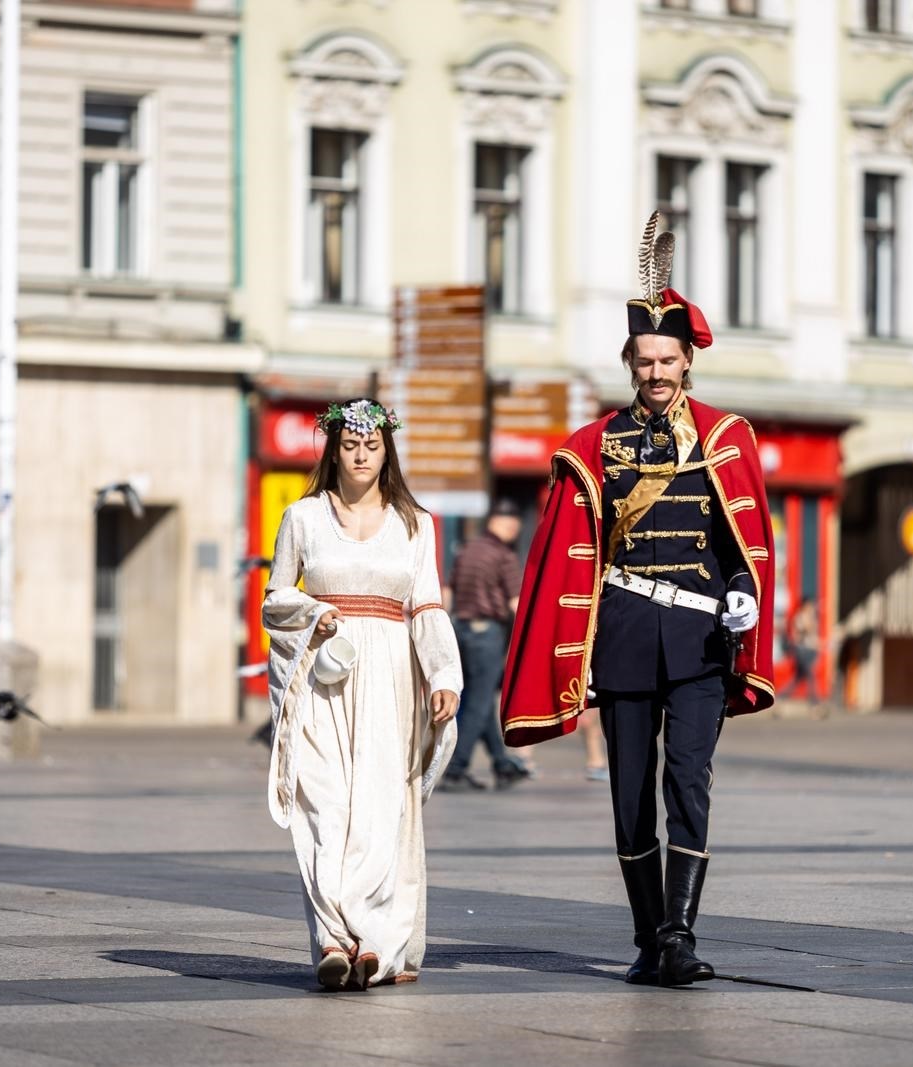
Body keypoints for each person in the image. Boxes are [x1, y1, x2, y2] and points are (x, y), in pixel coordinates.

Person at [501, 211, 775, 988]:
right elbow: (567, 556)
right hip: (622, 636)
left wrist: (739, 596)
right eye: (644, 359)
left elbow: (743, 541)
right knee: (628, 798)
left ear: (688, 362)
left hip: (695, 641)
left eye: (667, 359)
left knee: (688, 780)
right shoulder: (593, 446)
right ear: (630, 363)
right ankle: (647, 936)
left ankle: (680, 933)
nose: (655, 372)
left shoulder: (725, 437)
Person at [260, 398, 461, 990]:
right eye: (350, 445)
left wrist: (443, 676)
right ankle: (331, 937)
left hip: (391, 676)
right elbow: (275, 597)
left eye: (372, 445)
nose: (361, 455)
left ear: (387, 450)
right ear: (333, 449)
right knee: (323, 802)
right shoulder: (303, 517)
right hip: (323, 674)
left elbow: (425, 603)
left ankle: (369, 942)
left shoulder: (414, 522)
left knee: (378, 805)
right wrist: (312, 612)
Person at [442, 499, 530, 792]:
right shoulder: (503, 556)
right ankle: (456, 769)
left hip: (462, 631)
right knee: (479, 704)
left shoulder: (469, 549)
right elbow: (516, 603)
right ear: (509, 524)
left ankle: (502, 765)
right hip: (487, 635)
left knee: (479, 700)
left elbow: (448, 592)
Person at [787, 599, 820, 702]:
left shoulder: (810, 617)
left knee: (798, 679)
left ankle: (780, 697)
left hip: (809, 649)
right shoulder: (800, 616)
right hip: (802, 650)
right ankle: (815, 703)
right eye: (809, 605)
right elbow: (805, 629)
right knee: (810, 675)